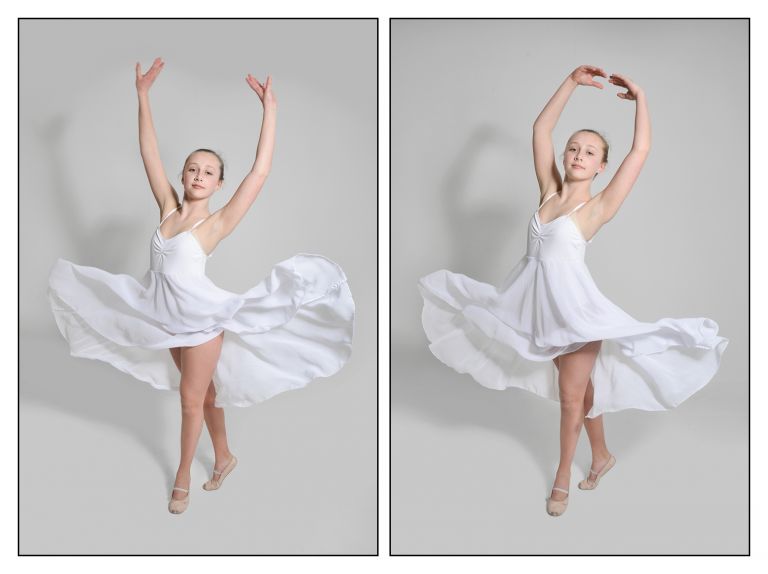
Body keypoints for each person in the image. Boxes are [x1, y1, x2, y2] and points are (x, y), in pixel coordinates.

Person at [47, 57, 355, 515]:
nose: (197, 175)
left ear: (218, 184)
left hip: (200, 323)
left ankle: (182, 477)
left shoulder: (215, 224)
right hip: (162, 316)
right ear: (183, 175)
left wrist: (269, 109)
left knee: (190, 401)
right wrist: (142, 95)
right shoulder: (168, 209)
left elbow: (260, 174)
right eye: (192, 168)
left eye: (208, 172)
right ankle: (225, 456)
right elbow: (148, 152)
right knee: (207, 393)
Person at [418, 65, 728, 517]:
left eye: (590, 153)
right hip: (531, 307)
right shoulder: (547, 192)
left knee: (569, 398)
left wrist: (640, 96)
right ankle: (601, 455)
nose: (579, 155)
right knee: (582, 393)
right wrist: (571, 82)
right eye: (574, 148)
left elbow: (640, 150)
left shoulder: (597, 207)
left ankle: (562, 476)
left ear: (601, 166)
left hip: (576, 314)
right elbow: (540, 128)